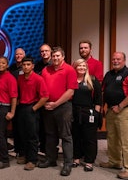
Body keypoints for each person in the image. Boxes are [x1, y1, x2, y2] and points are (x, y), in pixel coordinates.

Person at [100, 52, 128, 180]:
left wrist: (120, 106)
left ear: (124, 60)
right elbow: (104, 92)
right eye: (113, 59)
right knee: (112, 138)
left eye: (118, 59)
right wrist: (102, 107)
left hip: (125, 111)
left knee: (127, 141)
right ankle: (114, 161)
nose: (115, 61)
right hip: (111, 111)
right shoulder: (108, 74)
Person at [38, 46, 78, 177]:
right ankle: (51, 159)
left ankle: (67, 163)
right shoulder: (45, 70)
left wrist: (56, 104)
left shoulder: (70, 70)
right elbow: (42, 88)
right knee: (50, 134)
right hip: (48, 107)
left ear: (63, 57)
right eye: (54, 56)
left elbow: (70, 91)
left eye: (58, 56)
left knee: (66, 136)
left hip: (63, 107)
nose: (55, 58)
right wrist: (45, 103)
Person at [17, 57, 48, 171]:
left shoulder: (38, 79)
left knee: (32, 136)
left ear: (33, 66)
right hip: (22, 108)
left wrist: (34, 108)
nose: (25, 67)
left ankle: (32, 160)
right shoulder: (20, 78)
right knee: (22, 134)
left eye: (28, 64)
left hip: (32, 108)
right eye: (24, 64)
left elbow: (45, 97)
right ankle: (25, 155)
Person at [71, 59, 102, 172]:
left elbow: (98, 99)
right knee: (76, 136)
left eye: (84, 66)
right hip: (74, 112)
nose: (82, 68)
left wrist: (97, 114)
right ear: (75, 67)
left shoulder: (93, 80)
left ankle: (89, 161)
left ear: (87, 68)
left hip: (89, 113)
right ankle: (76, 158)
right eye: (79, 66)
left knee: (90, 138)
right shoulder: (71, 80)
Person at [0, 57, 17, 169]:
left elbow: (14, 97)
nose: (0, 65)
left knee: (0, 134)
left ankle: (5, 160)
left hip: (4, 108)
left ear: (7, 65)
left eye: (3, 63)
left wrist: (12, 112)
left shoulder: (10, 78)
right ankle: (2, 155)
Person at [34, 44, 52, 155]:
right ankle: (42, 148)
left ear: (50, 52)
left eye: (46, 51)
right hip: (38, 99)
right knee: (40, 125)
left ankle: (49, 151)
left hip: (50, 100)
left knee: (49, 128)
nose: (44, 53)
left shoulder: (53, 64)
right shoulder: (37, 65)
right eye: (42, 51)